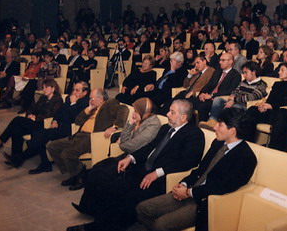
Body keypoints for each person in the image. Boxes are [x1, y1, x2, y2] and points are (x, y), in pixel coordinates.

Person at [68, 99, 205, 231]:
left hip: (162, 179)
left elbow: (187, 163)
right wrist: (131, 157)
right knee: (110, 183)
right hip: (143, 169)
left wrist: (157, 173)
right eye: (169, 111)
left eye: (172, 112)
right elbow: (149, 147)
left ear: (183, 117)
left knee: (127, 198)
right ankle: (96, 213)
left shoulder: (194, 135)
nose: (167, 114)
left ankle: (97, 228)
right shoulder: (165, 128)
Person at [137, 108, 257, 231]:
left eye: (219, 124)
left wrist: (189, 192)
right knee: (143, 209)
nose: (214, 127)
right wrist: (184, 183)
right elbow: (201, 170)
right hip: (189, 190)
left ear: (232, 131)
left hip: (205, 203)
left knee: (160, 225)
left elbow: (222, 187)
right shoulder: (218, 143)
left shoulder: (246, 157)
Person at [47, 89, 129, 190]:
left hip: (91, 138)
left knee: (67, 154)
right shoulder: (93, 109)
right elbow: (78, 121)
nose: (90, 100)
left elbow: (124, 109)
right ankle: (74, 173)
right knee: (52, 146)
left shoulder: (109, 104)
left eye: (91, 98)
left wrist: (115, 127)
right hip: (78, 135)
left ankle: (80, 177)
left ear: (100, 98)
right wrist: (89, 108)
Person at [0, 79, 64, 166]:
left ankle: (0, 142)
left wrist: (36, 118)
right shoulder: (43, 98)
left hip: (43, 124)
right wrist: (29, 115)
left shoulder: (58, 100)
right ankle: (15, 158)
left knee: (17, 120)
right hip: (34, 122)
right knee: (16, 129)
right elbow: (32, 108)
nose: (43, 90)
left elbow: (51, 114)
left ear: (52, 88)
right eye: (43, 87)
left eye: (45, 87)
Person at [27, 81, 90, 175]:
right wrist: (55, 120)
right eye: (73, 90)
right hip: (60, 127)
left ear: (84, 92)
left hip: (71, 130)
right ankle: (43, 162)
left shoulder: (85, 103)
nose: (74, 92)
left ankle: (33, 158)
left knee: (40, 135)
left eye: (77, 90)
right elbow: (60, 111)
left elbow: (76, 119)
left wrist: (73, 104)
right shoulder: (70, 98)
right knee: (39, 134)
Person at [199, 61, 267, 130]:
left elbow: (251, 97)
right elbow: (234, 91)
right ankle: (212, 121)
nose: (244, 75)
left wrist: (233, 100)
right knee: (217, 99)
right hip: (235, 102)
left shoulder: (261, 85)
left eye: (245, 72)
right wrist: (231, 100)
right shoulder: (243, 82)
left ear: (253, 72)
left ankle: (223, 127)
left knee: (233, 107)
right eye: (243, 73)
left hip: (246, 107)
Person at [247, 62, 287, 133]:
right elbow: (270, 99)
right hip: (269, 110)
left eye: (282, 70)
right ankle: (247, 138)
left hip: (280, 112)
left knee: (280, 115)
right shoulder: (277, 84)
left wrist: (271, 106)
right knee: (252, 110)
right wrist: (263, 106)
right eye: (279, 70)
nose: (279, 72)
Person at [194, 52, 241, 122]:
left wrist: (211, 95)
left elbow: (230, 91)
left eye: (223, 60)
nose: (220, 62)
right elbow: (208, 85)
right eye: (220, 60)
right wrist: (202, 93)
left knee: (202, 107)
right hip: (208, 97)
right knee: (190, 103)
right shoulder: (217, 72)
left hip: (219, 100)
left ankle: (204, 129)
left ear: (230, 61)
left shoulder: (235, 75)